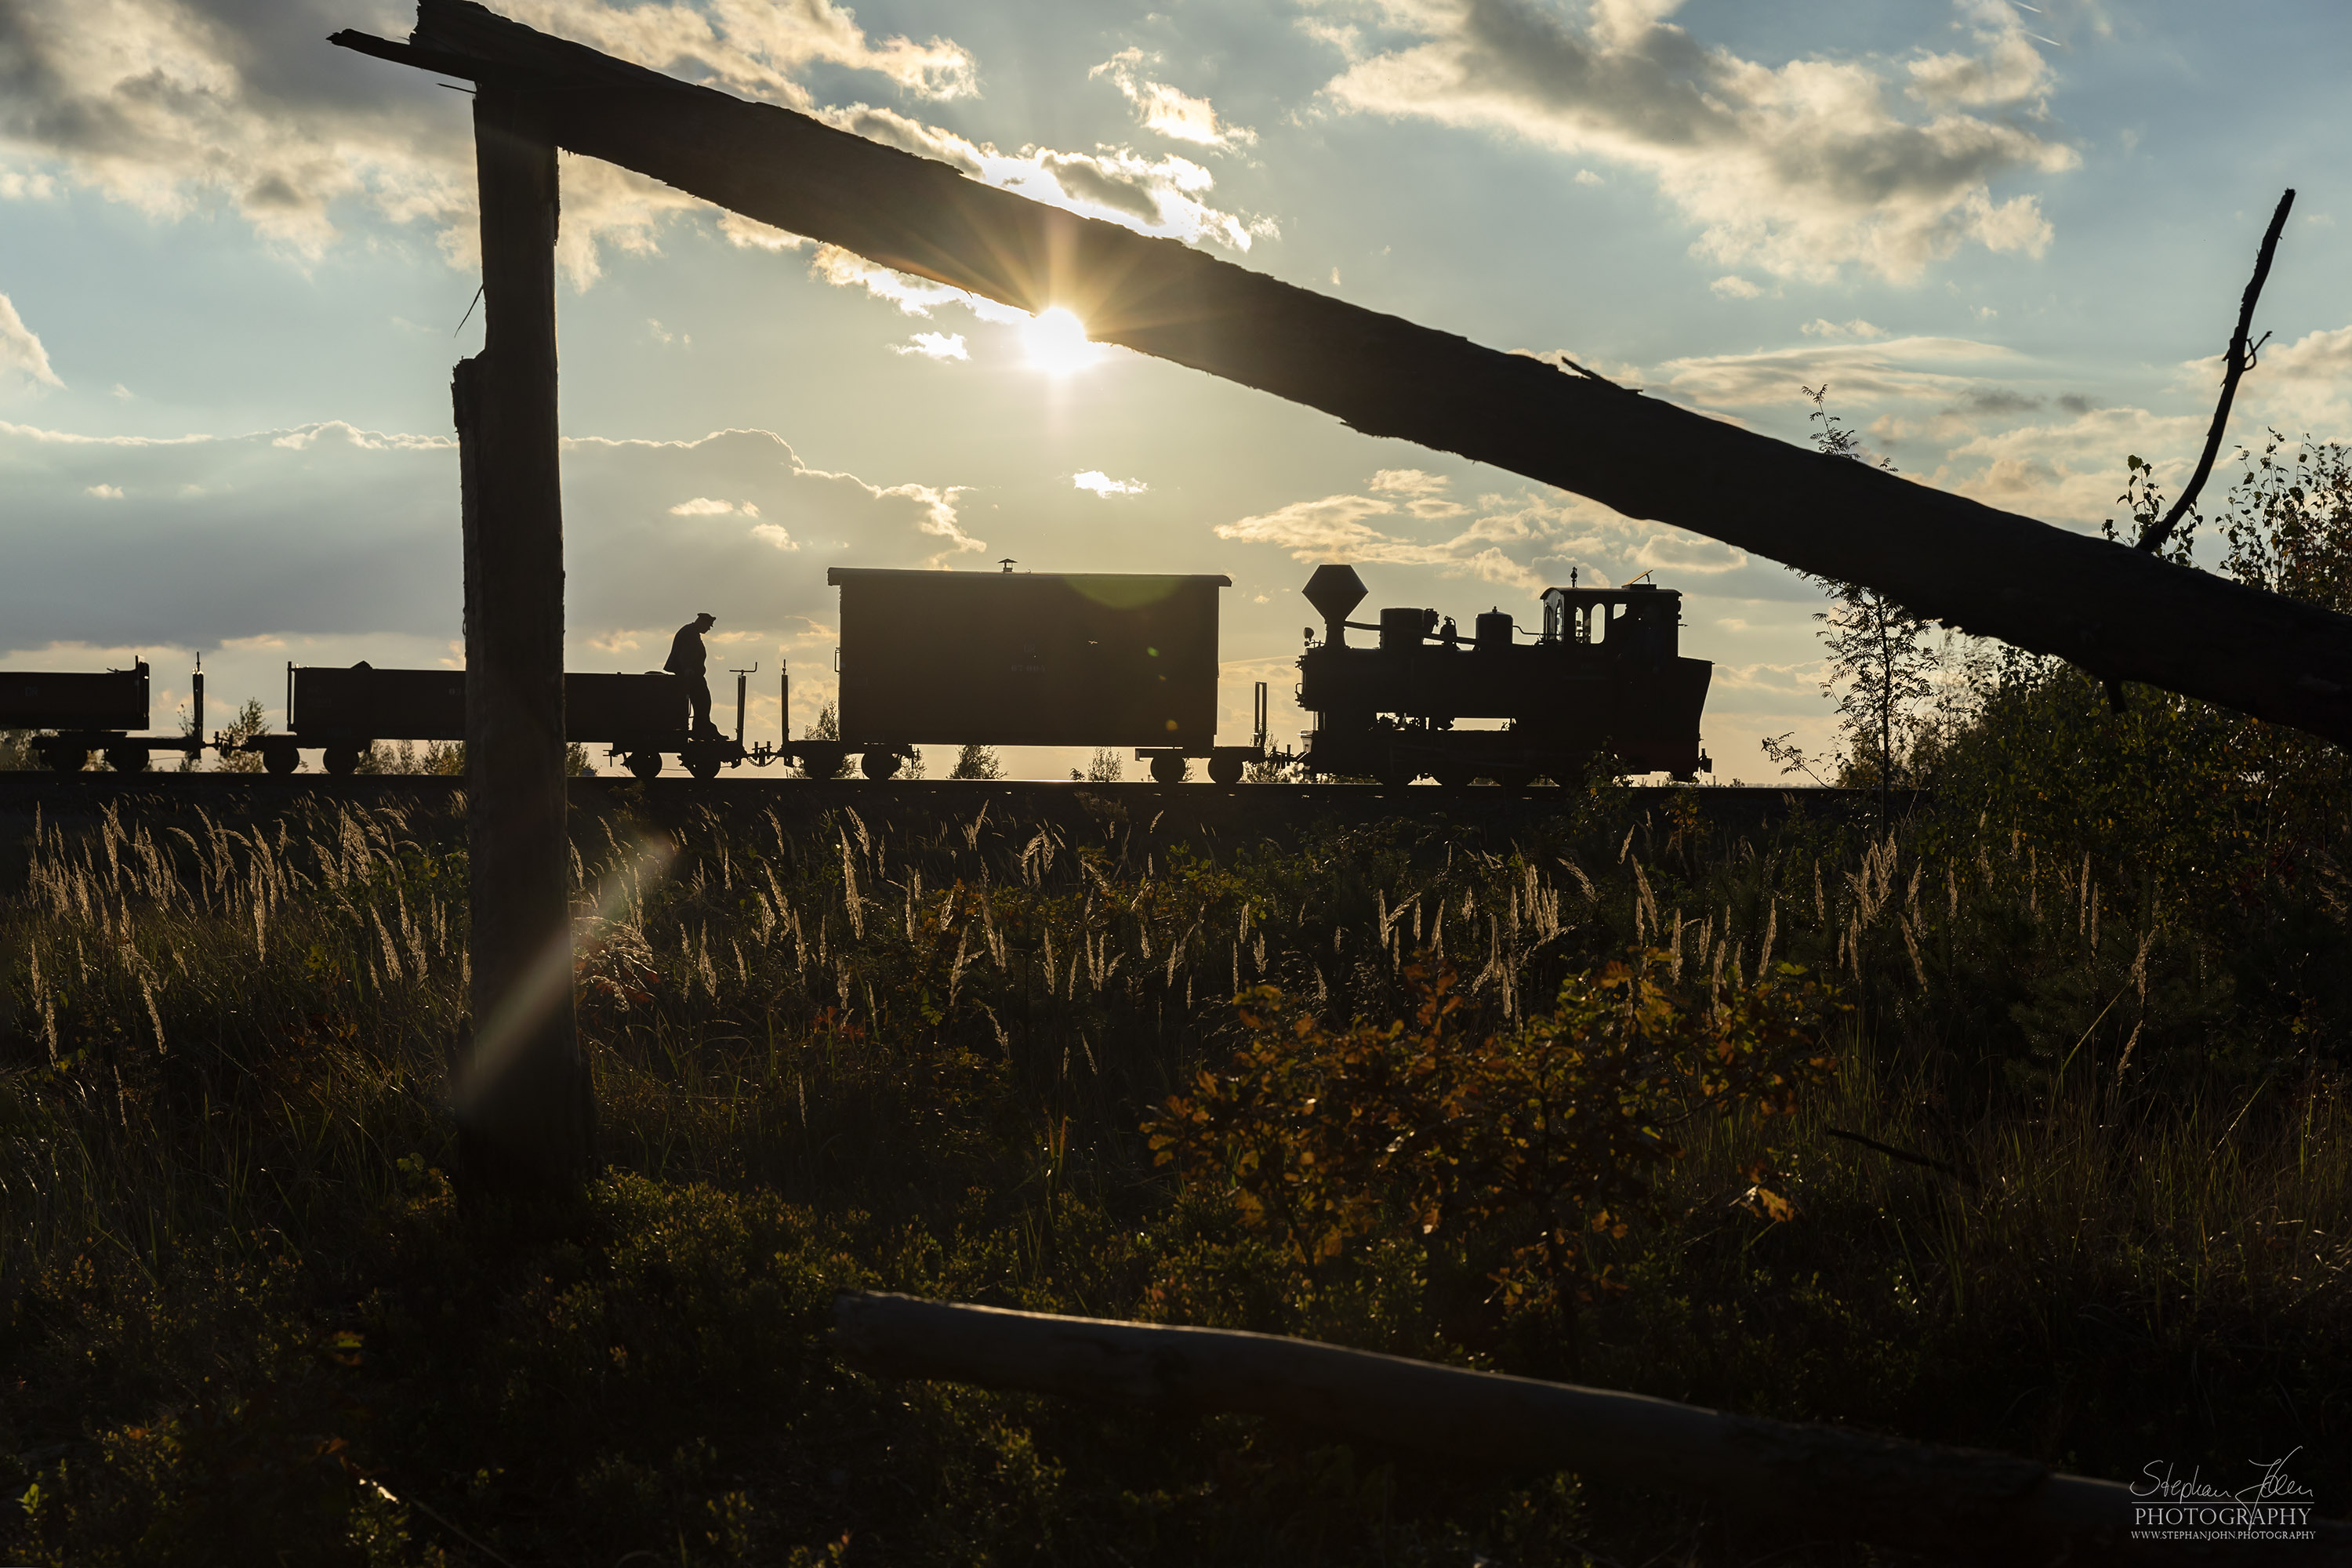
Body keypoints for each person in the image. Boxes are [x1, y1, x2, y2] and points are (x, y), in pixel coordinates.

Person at [666, 612, 720, 739]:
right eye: (708, 626)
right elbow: (686, 653)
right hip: (691, 676)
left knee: (703, 702)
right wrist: (688, 668)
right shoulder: (690, 634)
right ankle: (702, 728)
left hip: (692, 675)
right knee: (703, 701)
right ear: (702, 622)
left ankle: (702, 727)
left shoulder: (692, 632)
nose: (708, 629)